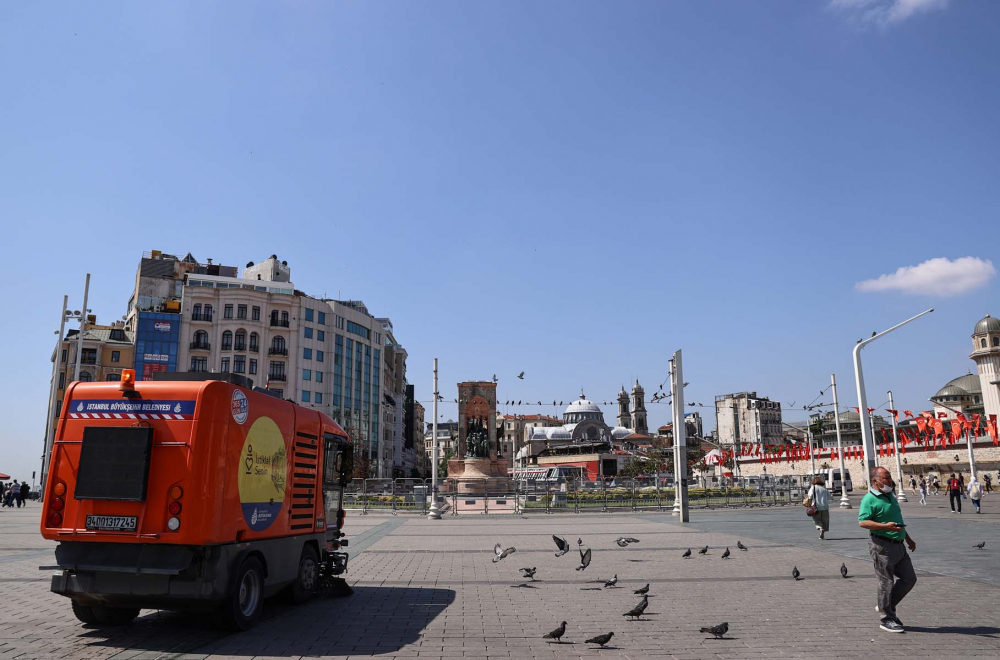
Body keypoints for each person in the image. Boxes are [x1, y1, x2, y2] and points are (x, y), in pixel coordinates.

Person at [859, 467, 917, 634]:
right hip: (882, 546)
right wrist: (884, 526)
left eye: (890, 477)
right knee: (886, 583)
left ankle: (886, 606)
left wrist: (908, 539)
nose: (890, 481)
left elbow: (898, 520)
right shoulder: (869, 499)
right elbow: (863, 522)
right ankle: (887, 619)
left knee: (909, 579)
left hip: (899, 545)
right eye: (885, 478)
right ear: (875, 481)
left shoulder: (890, 496)